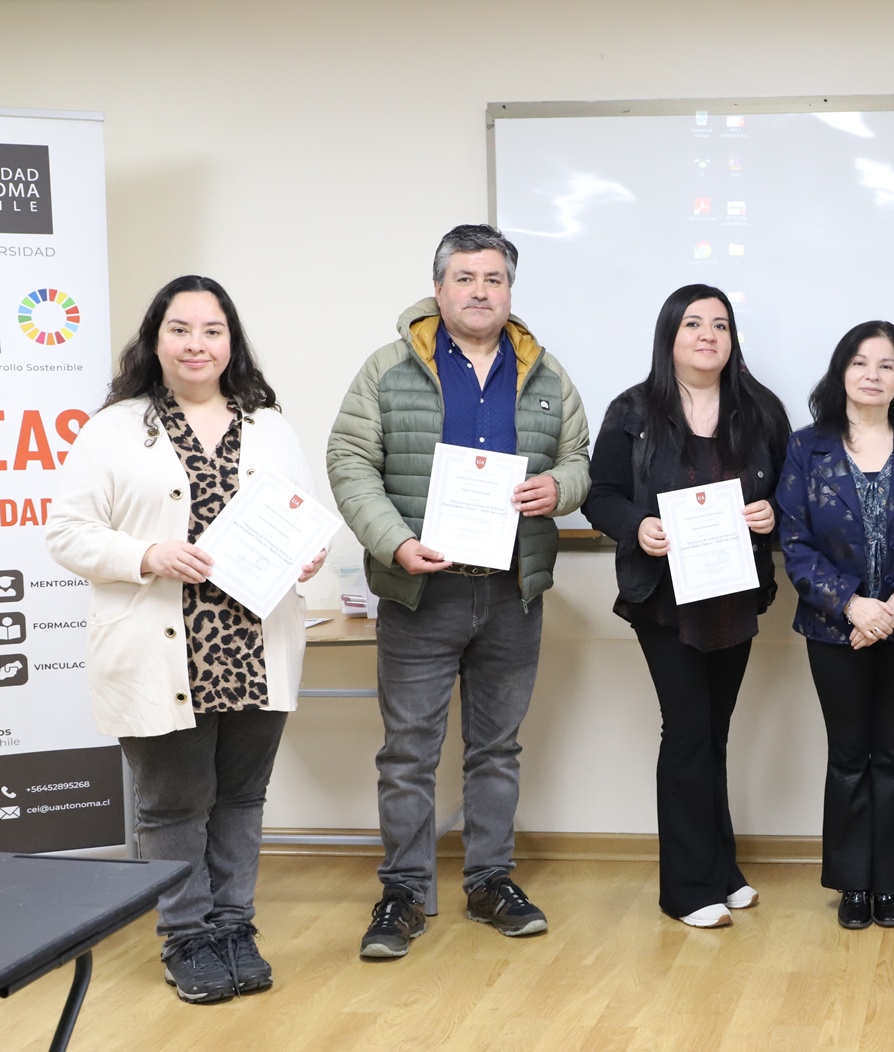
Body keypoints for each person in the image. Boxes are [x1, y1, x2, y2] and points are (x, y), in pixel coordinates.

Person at [47, 275, 326, 1003]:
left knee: (241, 797)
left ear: (231, 342)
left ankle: (234, 926)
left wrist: (308, 554)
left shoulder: (268, 424)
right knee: (173, 804)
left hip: (252, 642)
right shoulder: (113, 427)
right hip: (159, 644)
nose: (196, 344)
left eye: (212, 330)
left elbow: (302, 516)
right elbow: (67, 534)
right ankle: (187, 938)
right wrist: (146, 556)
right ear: (155, 339)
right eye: (181, 329)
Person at [327, 224, 591, 959]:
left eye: (495, 279)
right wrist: (396, 543)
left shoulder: (544, 372)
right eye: (467, 279)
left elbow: (580, 459)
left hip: (513, 591)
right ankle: (404, 893)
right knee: (408, 752)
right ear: (439, 288)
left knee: (496, 749)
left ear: (511, 289)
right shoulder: (388, 368)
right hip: (421, 593)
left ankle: (489, 883)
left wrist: (558, 488)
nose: (481, 292)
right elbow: (349, 461)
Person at [583, 284, 790, 928]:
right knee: (689, 732)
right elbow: (601, 494)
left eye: (721, 325)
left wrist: (772, 515)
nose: (708, 336)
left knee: (714, 735)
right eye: (694, 324)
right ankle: (686, 888)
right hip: (664, 599)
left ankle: (720, 871)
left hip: (734, 593)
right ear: (669, 335)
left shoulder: (760, 410)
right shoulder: (634, 410)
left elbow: (796, 500)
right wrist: (636, 527)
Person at [776, 321, 894, 930]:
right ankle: (854, 884)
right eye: (859, 363)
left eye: (886, 364)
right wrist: (853, 606)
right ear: (840, 372)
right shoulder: (807, 447)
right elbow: (793, 540)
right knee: (849, 753)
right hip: (835, 627)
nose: (872, 375)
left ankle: (890, 883)